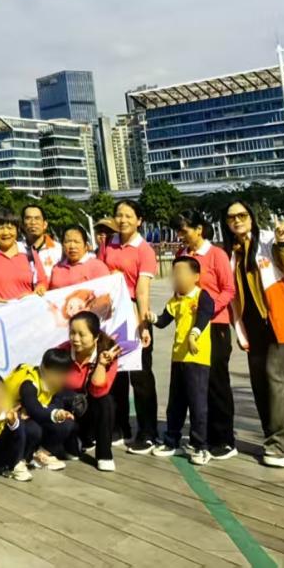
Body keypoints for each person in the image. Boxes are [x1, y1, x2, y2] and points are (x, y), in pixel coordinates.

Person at [222, 201, 284, 468]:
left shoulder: (268, 241)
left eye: (242, 215)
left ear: (252, 218)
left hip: (280, 322)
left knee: (279, 380)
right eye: (232, 217)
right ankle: (274, 440)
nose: (237, 220)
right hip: (254, 328)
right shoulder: (231, 252)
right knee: (261, 383)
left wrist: (283, 242)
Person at [174, 210, 237, 459]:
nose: (181, 236)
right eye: (179, 231)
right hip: (188, 329)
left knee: (216, 383)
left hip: (215, 326)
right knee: (195, 384)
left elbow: (228, 289)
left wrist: (207, 311)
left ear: (199, 229)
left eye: (184, 231)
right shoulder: (183, 256)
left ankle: (224, 438)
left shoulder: (216, 255)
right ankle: (203, 435)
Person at [102, 199, 158, 453]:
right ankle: (119, 426)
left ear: (139, 220)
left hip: (133, 312)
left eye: (128, 215)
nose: (122, 220)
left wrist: (143, 323)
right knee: (115, 372)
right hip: (110, 314)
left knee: (140, 375)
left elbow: (142, 289)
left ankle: (147, 431)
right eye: (119, 215)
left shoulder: (144, 249)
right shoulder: (107, 244)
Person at [151, 255, 215, 465]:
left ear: (196, 276)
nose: (177, 277)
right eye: (175, 273)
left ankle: (200, 446)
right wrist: (152, 319)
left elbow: (205, 316)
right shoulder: (176, 299)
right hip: (177, 357)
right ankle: (171, 439)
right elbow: (163, 321)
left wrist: (194, 334)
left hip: (196, 358)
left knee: (197, 404)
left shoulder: (201, 296)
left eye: (182, 273)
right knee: (175, 402)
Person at [63, 310, 119, 471]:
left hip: (91, 406)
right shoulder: (62, 352)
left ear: (95, 338)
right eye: (72, 333)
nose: (75, 338)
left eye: (82, 334)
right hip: (67, 408)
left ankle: (104, 454)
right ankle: (73, 441)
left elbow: (99, 391)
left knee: (106, 402)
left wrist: (100, 364)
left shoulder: (109, 352)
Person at [5, 349, 76, 469]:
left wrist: (60, 413)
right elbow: (34, 409)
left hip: (32, 416)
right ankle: (20, 459)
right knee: (34, 429)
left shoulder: (56, 383)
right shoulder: (29, 383)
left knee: (66, 424)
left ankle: (40, 455)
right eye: (61, 374)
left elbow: (56, 403)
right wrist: (54, 414)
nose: (64, 377)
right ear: (48, 371)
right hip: (10, 420)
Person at [0, 211, 48, 302]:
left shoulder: (29, 252)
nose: (6, 232)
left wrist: (40, 289)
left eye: (10, 228)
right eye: (0, 228)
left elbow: (42, 281)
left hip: (27, 312)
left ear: (17, 230)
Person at [21, 205, 63, 283]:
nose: (33, 222)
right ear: (22, 225)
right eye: (28, 218)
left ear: (45, 224)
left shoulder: (59, 250)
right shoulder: (17, 249)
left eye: (37, 218)